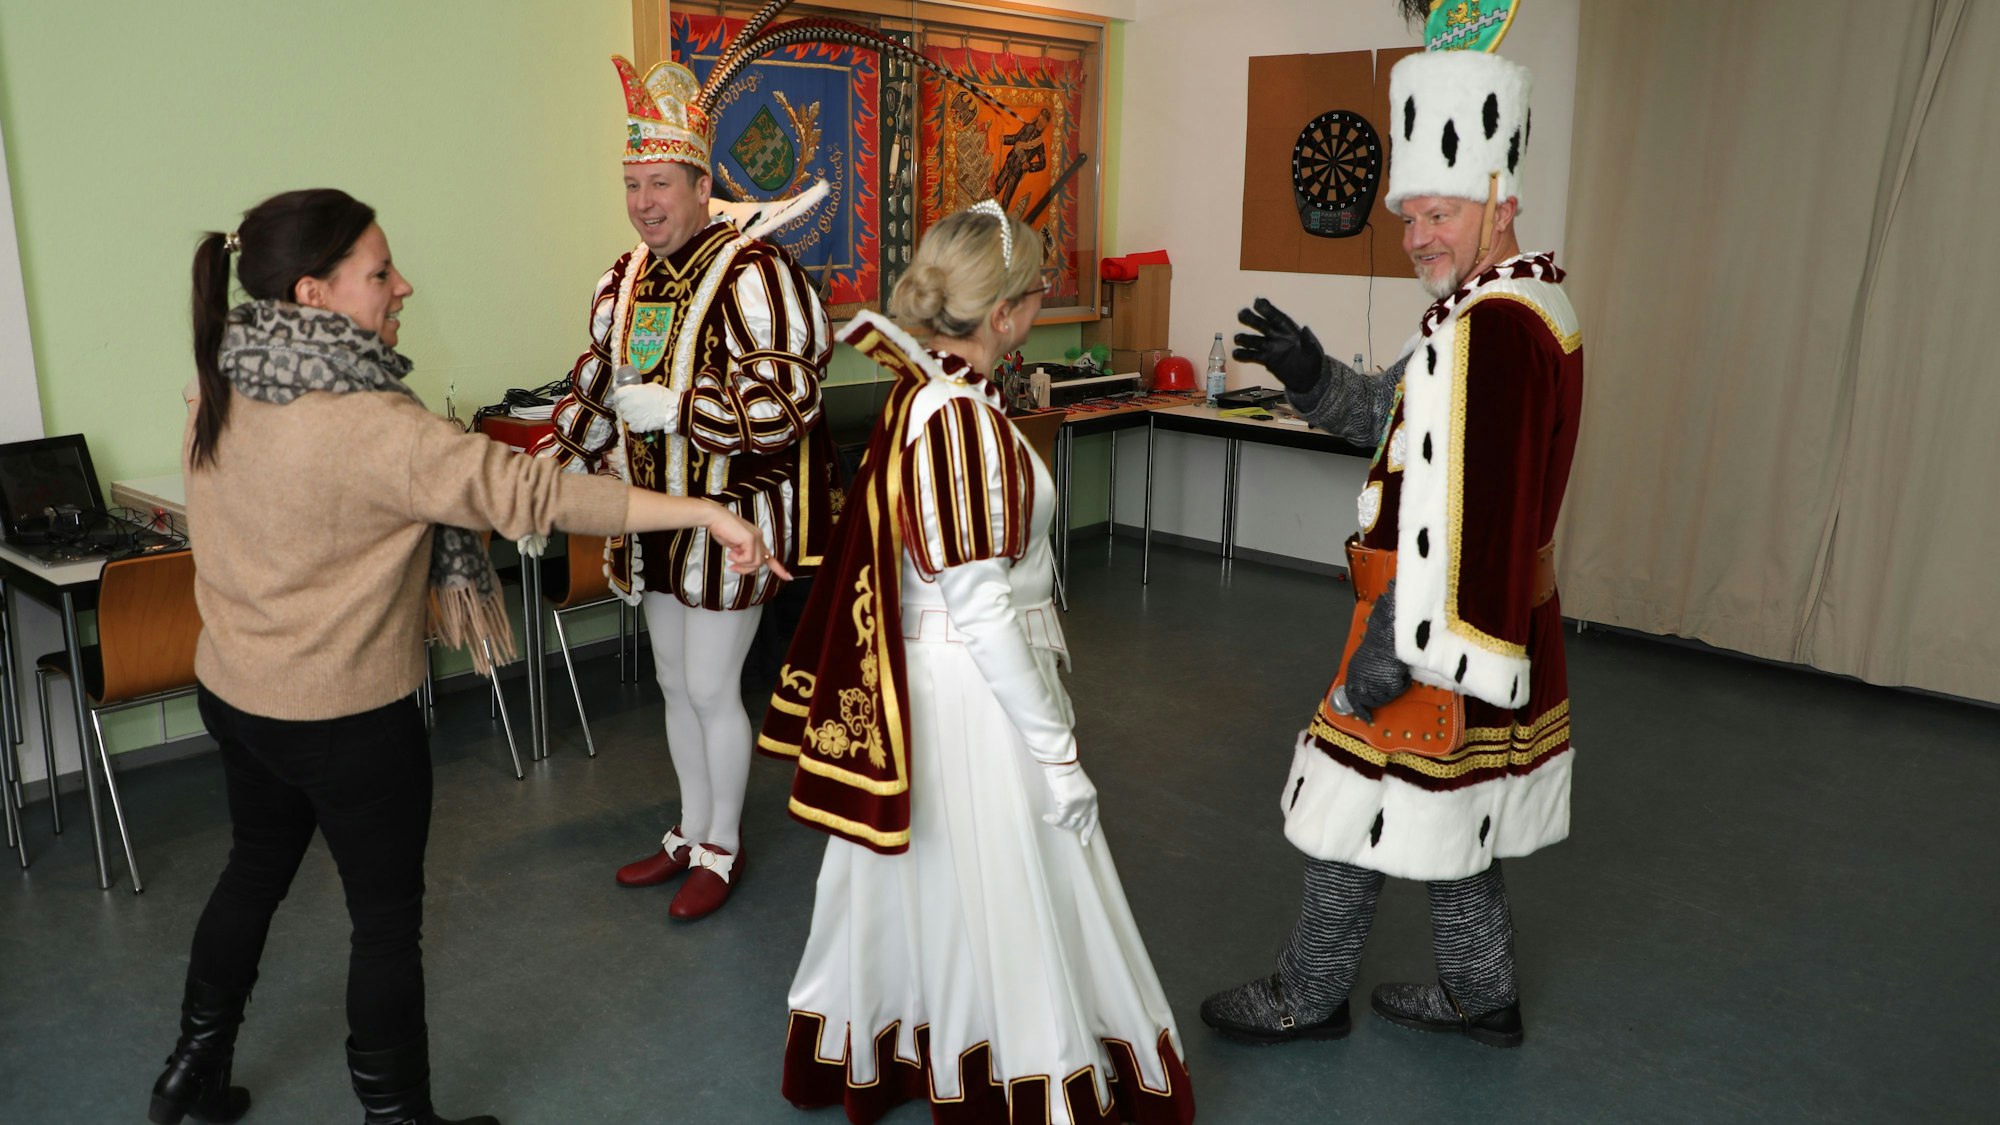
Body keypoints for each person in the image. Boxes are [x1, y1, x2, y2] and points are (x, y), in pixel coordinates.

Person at [151, 188, 785, 1125]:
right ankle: (399, 1119)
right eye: (378, 273)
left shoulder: (224, 375)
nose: (402, 285)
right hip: (347, 719)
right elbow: (536, 495)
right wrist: (701, 508)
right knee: (383, 925)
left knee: (252, 869)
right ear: (314, 294)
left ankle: (189, 1075)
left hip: (239, 699)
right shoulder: (379, 427)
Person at [759, 203, 1196, 1125]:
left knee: (932, 875)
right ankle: (1015, 1064)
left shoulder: (930, 391)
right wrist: (1054, 747)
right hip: (969, 688)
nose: (1038, 305)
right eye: (1035, 293)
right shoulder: (953, 416)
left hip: (941, 677)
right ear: (1004, 315)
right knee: (1004, 882)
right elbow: (980, 604)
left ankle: (919, 1037)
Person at [1201, 47, 1583, 1049]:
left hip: (1433, 621)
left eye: (1439, 213)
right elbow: (1391, 419)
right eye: (1407, 215)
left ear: (1499, 200)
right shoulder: (1505, 308)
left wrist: (1401, 648)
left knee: (1345, 806)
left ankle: (1307, 993)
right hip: (1466, 621)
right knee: (1442, 803)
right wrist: (1310, 372)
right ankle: (1480, 990)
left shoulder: (1494, 332)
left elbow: (1483, 515)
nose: (1416, 235)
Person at [529, 55, 834, 921]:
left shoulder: (755, 272)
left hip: (736, 517)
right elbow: (595, 384)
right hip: (649, 514)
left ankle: (725, 845)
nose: (642, 202)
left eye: (658, 182)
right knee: (672, 682)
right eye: (631, 184)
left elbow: (793, 395)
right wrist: (545, 474)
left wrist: (687, 406)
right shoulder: (621, 279)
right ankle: (691, 830)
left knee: (711, 687)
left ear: (703, 183)